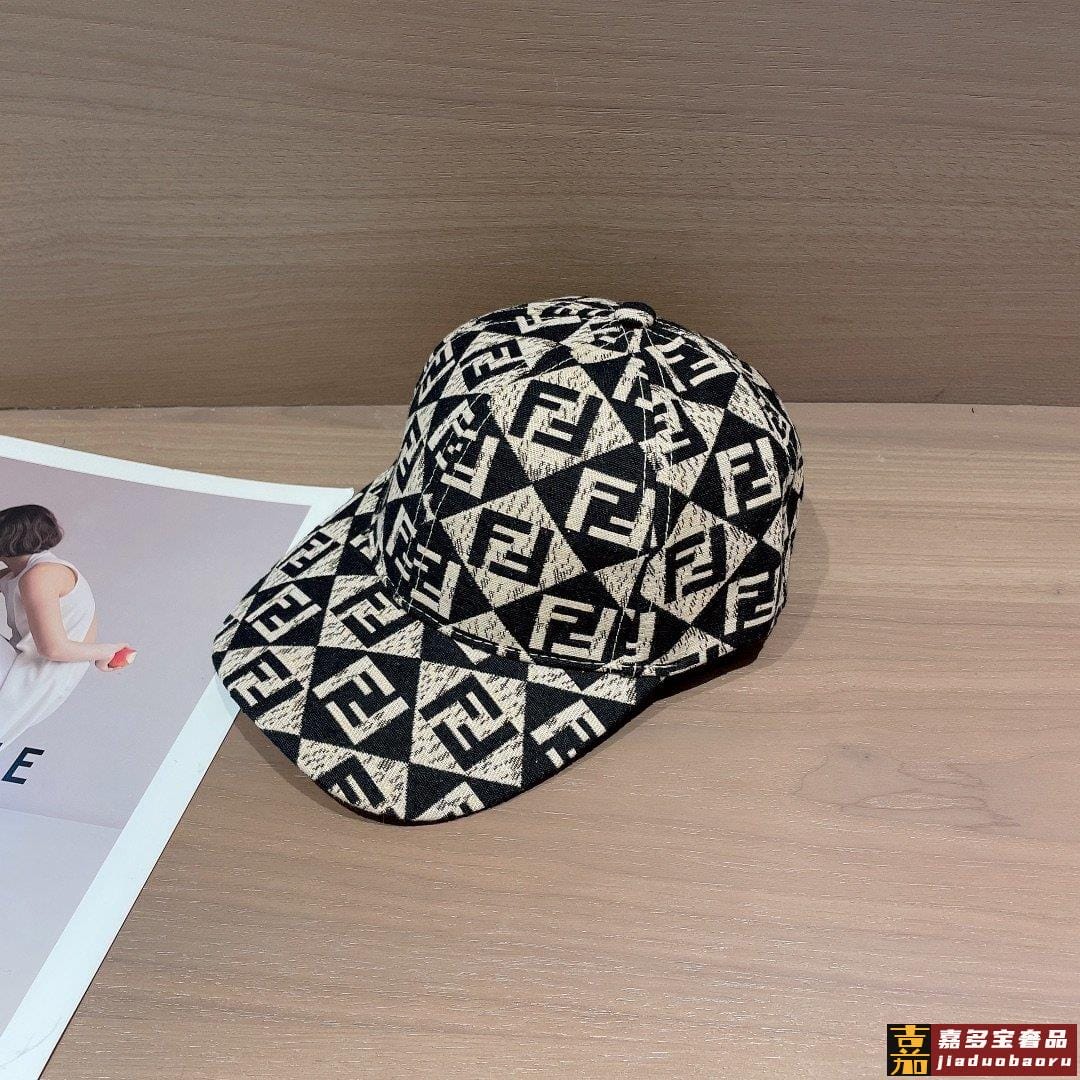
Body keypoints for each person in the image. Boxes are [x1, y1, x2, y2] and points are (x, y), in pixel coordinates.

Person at [0, 504, 130, 748]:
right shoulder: (26, 571)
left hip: (30, 677)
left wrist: (107, 651)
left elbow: (54, 649)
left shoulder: (41, 574)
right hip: (26, 672)